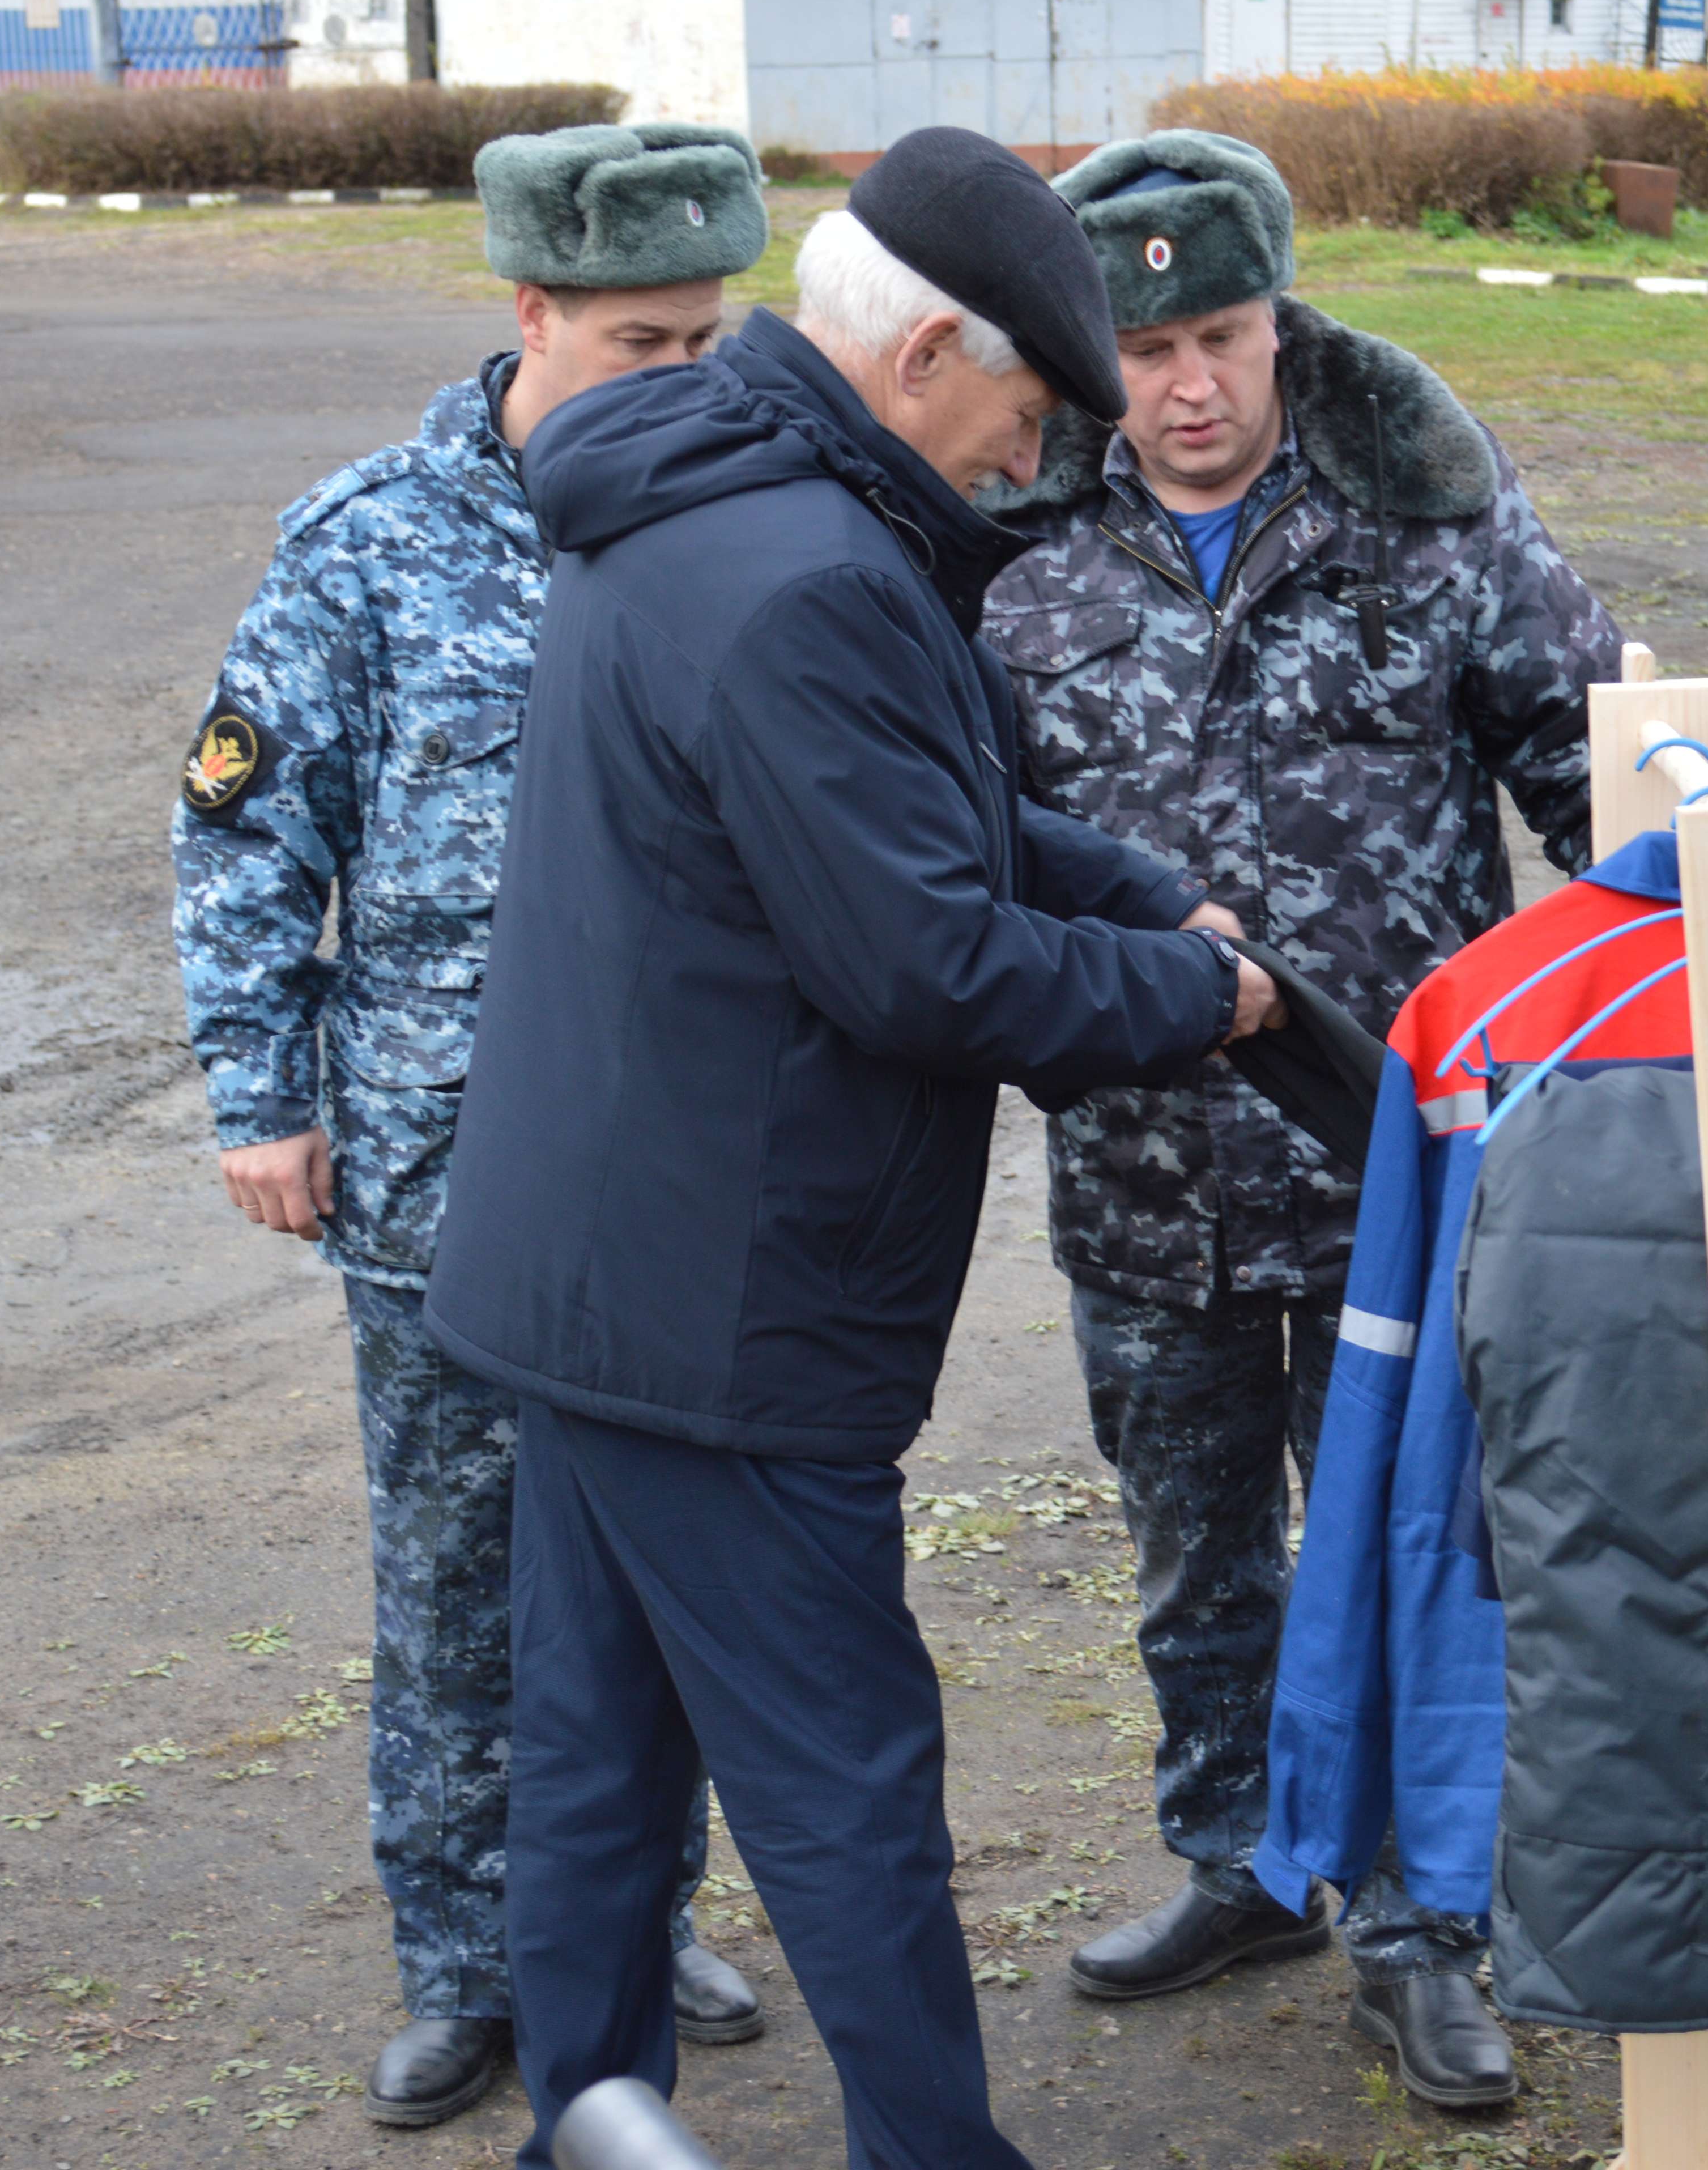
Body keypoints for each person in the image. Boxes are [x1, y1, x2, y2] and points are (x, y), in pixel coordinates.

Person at [420, 126, 1283, 2170]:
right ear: (926, 362)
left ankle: (594, 2120)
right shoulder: (811, 571)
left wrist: (1131, 887)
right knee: (845, 1778)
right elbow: (922, 961)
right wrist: (1199, 993)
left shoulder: (739, 512)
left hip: (598, 1276)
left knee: (604, 1753)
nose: (1041, 456)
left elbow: (906, 811)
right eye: (1031, 406)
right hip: (730, 1308)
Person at [979, 127, 1620, 2108]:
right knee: (1197, 1550)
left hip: (1397, 1163)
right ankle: (1244, 1862)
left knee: (1413, 1541)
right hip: (1144, 1159)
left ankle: (1429, 1930)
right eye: (1147, 346)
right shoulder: (1013, 548)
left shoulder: (1427, 523)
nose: (1189, 387)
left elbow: (1598, 776)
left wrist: (1637, 1030)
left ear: (1285, 328)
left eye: (1227, 337)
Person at [169, 120, 774, 2131]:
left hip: (664, 1159)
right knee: (450, 1581)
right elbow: (252, 836)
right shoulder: (369, 541)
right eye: (635, 341)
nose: (683, 379)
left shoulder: (737, 512)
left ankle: (636, 1919)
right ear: (528, 314)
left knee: (644, 1572)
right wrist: (260, 1099)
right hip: (438, 1159)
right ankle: (457, 1960)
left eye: (709, 335)